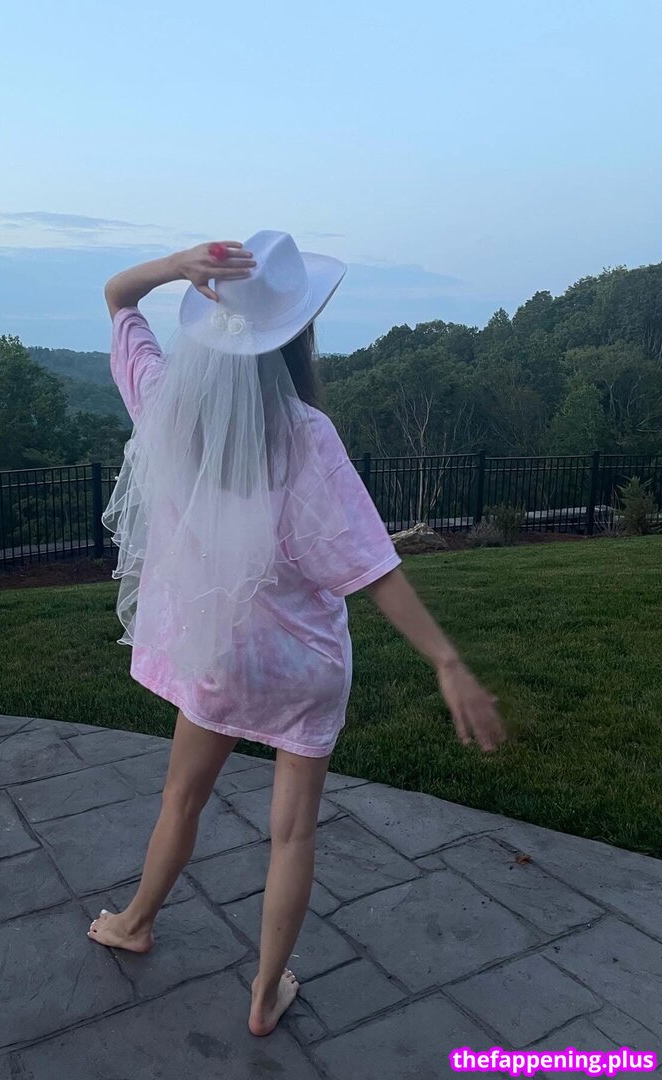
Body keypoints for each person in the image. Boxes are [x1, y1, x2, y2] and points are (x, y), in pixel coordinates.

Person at [88, 231, 506, 1037]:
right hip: (304, 666)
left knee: (181, 799)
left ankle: (135, 922)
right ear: (296, 334)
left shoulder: (167, 404)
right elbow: (372, 565)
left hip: (218, 655)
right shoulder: (305, 434)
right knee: (293, 833)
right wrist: (446, 660)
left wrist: (177, 268)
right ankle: (262, 994)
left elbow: (117, 297)